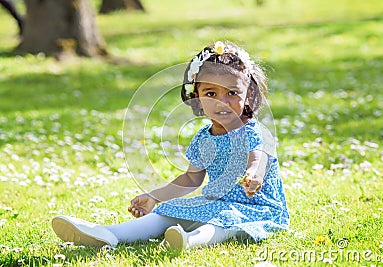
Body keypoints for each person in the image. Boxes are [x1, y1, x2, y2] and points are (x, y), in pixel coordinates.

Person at [52, 41, 290, 250]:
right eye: (210, 93)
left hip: (258, 207)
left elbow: (257, 158)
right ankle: (109, 233)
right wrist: (155, 197)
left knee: (221, 221)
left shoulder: (252, 130)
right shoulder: (203, 138)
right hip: (216, 203)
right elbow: (191, 179)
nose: (222, 102)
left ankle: (189, 240)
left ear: (248, 94)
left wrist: (253, 175)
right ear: (196, 96)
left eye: (232, 92)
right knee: (172, 210)